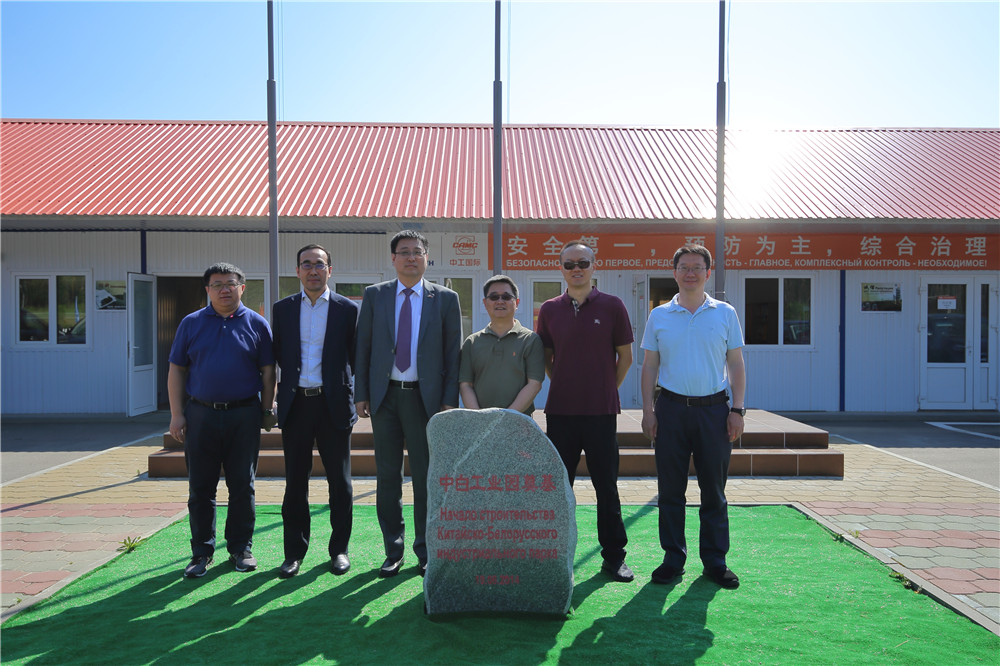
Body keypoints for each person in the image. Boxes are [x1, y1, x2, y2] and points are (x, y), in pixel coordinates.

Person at [354, 230, 462, 578]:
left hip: (424, 400)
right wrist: (361, 393)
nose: (411, 257)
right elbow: (363, 347)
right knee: (387, 477)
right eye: (404, 252)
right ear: (393, 259)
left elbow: (453, 354)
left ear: (427, 258)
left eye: (417, 251)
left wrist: (448, 400)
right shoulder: (376, 295)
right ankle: (393, 550)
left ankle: (426, 550)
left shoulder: (445, 298)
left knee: (426, 477)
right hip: (384, 397)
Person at [640, 243, 747, 590]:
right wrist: (648, 411)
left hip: (714, 411)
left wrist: (737, 409)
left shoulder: (725, 313)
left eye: (697, 267)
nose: (690, 273)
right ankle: (673, 559)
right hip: (670, 410)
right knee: (670, 490)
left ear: (707, 273)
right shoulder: (659, 315)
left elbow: (735, 363)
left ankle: (715, 561)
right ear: (674, 273)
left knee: (713, 491)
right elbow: (650, 366)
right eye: (684, 267)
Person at [168, 262, 276, 578]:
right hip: (200, 414)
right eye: (217, 284)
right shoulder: (191, 323)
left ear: (242, 288)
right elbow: (176, 369)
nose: (224, 289)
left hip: (244, 414)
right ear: (208, 290)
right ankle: (201, 552)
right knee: (201, 487)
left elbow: (268, 371)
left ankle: (240, 549)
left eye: (230, 283)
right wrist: (177, 414)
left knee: (242, 485)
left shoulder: (257, 324)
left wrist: (267, 410)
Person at [536, 240, 635, 582]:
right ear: (561, 269)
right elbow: (547, 358)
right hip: (560, 413)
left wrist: (605, 388)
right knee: (559, 488)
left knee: (606, 487)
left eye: (582, 263)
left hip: (601, 413)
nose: (576, 269)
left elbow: (626, 357)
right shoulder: (549, 309)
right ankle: (556, 556)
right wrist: (566, 383)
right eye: (569, 264)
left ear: (595, 265)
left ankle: (614, 557)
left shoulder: (613, 306)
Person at [272, 244, 359, 579]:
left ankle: (339, 550)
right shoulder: (282, 309)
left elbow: (355, 356)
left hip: (333, 404)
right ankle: (294, 553)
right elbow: (278, 354)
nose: (312, 270)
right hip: (296, 405)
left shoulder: (347, 309)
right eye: (306, 264)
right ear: (297, 271)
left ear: (329, 270)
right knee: (295, 482)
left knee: (340, 482)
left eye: (319, 264)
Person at [459, 275, 544, 414]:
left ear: (517, 302)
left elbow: (534, 384)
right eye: (494, 297)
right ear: (485, 303)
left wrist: (506, 417)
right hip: (480, 423)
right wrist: (479, 417)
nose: (500, 301)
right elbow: (465, 385)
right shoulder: (472, 342)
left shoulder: (530, 340)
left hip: (519, 422)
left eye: (506, 297)